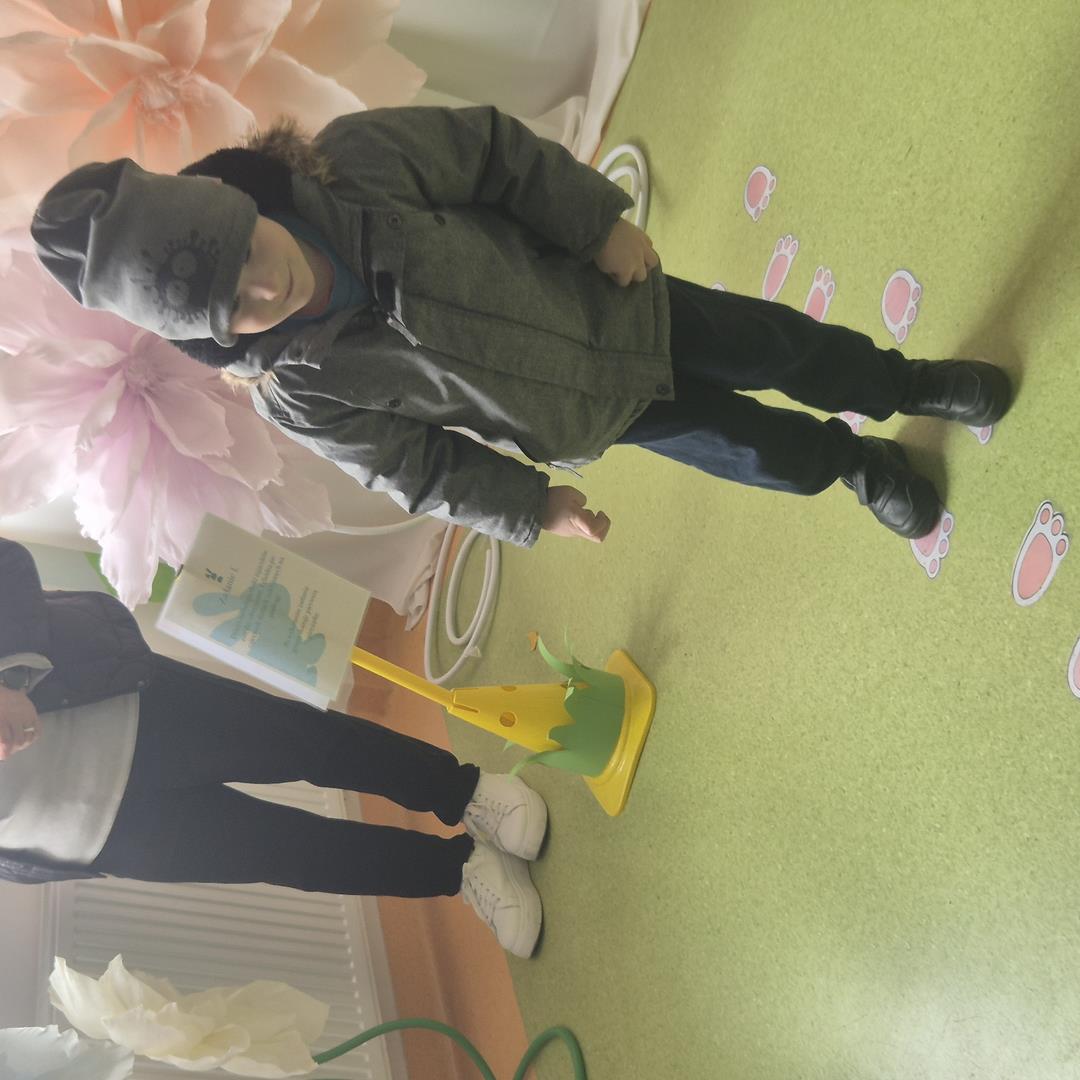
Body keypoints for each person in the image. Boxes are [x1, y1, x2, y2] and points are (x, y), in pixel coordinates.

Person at [30, 106, 1011, 546]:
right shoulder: (301, 392)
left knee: (787, 349)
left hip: (620, 302)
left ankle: (906, 384)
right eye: (235, 310)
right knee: (759, 452)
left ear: (242, 203)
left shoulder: (357, 165)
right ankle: (851, 465)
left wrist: (597, 225)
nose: (265, 288)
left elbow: (496, 156)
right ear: (215, 341)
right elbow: (416, 468)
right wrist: (530, 507)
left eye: (249, 253)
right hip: (589, 416)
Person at [0, 537, 546, 959]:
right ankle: (460, 870)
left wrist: (6, 679)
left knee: (306, 744)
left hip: (117, 709)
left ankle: (465, 793)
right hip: (82, 835)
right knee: (297, 858)